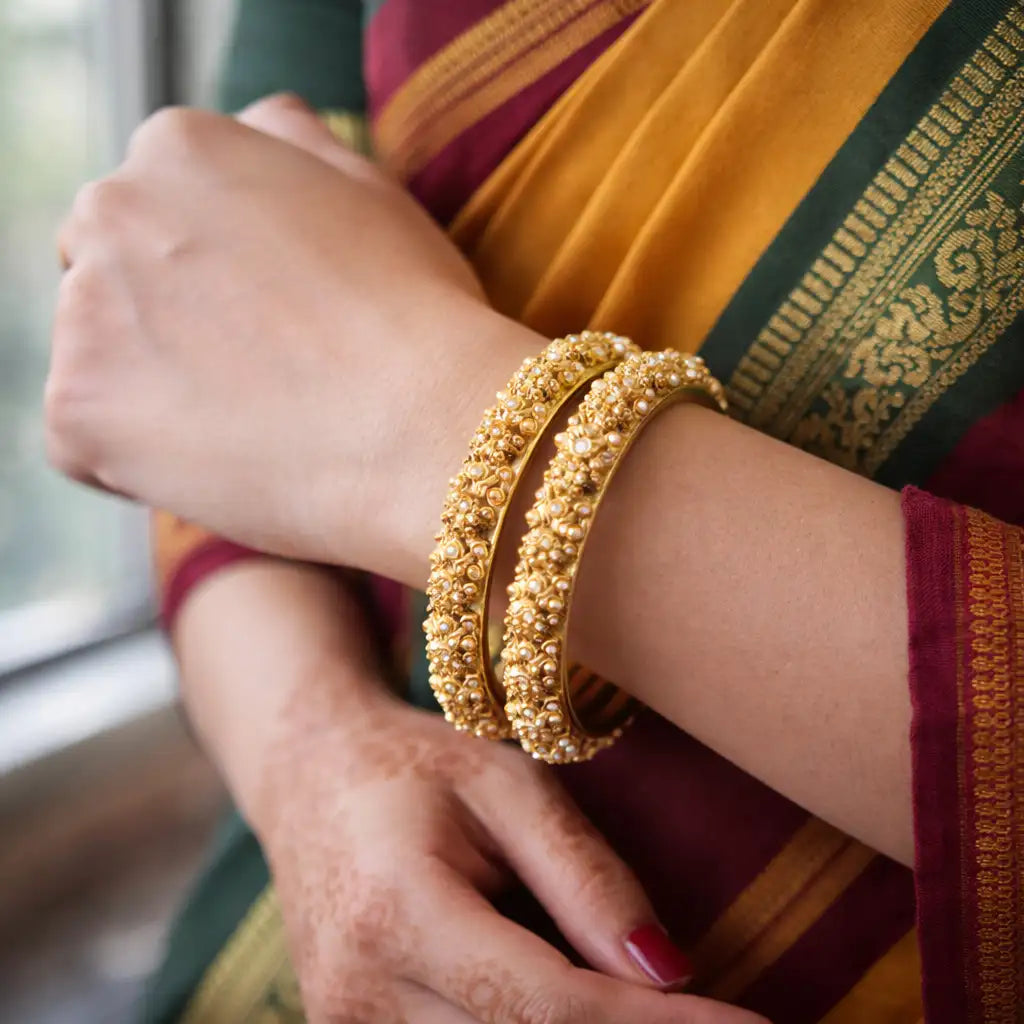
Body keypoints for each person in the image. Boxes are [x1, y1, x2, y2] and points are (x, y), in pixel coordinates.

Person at [46, 0, 1024, 1021]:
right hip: (278, 923)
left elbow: (263, 354)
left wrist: (433, 428)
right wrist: (310, 752)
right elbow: (203, 331)